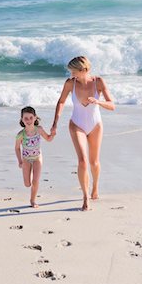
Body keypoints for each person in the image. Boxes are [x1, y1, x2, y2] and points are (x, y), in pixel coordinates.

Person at [51, 56, 115, 211]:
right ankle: (85, 196)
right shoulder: (69, 83)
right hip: (76, 124)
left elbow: (112, 105)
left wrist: (98, 102)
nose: (71, 74)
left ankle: (95, 187)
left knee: (94, 162)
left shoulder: (98, 82)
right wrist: (55, 124)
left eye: (73, 71)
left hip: (95, 125)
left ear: (84, 70)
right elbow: (60, 102)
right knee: (82, 162)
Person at [15, 106, 54, 208]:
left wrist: (53, 134)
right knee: (27, 184)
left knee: (35, 181)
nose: (28, 120)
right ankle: (30, 176)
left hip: (37, 158)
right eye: (25, 118)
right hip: (26, 159)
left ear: (35, 118)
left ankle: (32, 200)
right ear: (22, 120)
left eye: (31, 117)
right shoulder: (20, 134)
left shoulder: (39, 130)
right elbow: (17, 148)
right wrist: (20, 161)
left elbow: (48, 139)